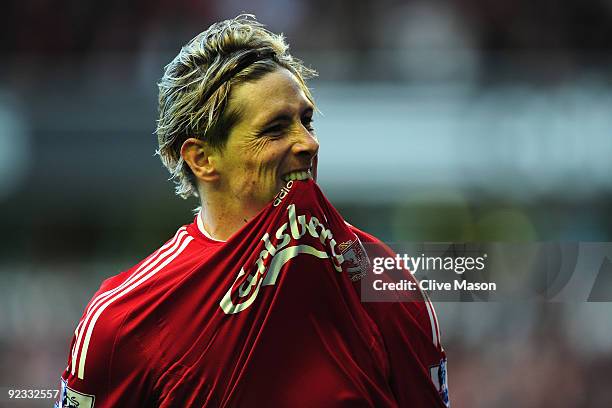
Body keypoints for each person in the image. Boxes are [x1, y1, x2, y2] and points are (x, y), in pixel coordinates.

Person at [56, 15, 449, 407]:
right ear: (202, 158)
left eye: (306, 121)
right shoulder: (125, 320)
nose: (307, 144)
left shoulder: (386, 283)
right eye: (276, 129)